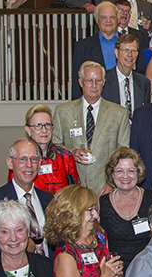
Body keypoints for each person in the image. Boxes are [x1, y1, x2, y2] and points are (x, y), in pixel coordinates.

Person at [53, 60, 131, 196]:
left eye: (98, 81)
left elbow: (123, 152)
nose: (94, 85)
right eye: (89, 80)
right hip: (72, 189)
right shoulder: (63, 111)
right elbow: (54, 146)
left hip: (105, 189)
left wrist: (112, 183)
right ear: (80, 82)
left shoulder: (119, 113)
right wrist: (72, 153)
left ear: (104, 82)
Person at [98, 148, 152, 277]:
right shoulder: (101, 203)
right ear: (111, 173)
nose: (125, 176)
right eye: (120, 171)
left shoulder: (151, 199)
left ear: (138, 173)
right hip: (114, 276)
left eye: (131, 170)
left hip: (147, 272)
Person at [0, 139, 53, 257]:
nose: (29, 165)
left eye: (34, 159)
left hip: (48, 272)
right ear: (10, 163)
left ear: (40, 163)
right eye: (22, 159)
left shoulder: (50, 201)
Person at [15, 104, 79, 195]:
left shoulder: (65, 156)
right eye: (38, 126)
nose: (44, 130)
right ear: (28, 130)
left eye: (47, 125)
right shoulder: (20, 158)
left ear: (52, 128)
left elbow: (76, 192)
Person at [71, 2, 121, 100]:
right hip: (95, 102)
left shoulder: (130, 44)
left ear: (118, 20)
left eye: (112, 17)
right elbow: (77, 83)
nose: (108, 21)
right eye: (103, 17)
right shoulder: (82, 47)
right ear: (97, 20)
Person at [101, 34, 151, 119]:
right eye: (125, 50)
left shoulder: (144, 83)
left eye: (133, 51)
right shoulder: (103, 81)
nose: (130, 55)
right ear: (116, 53)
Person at [113, 0, 150, 73]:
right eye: (121, 10)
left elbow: (143, 61)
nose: (125, 13)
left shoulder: (140, 35)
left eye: (128, 11)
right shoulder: (111, 36)